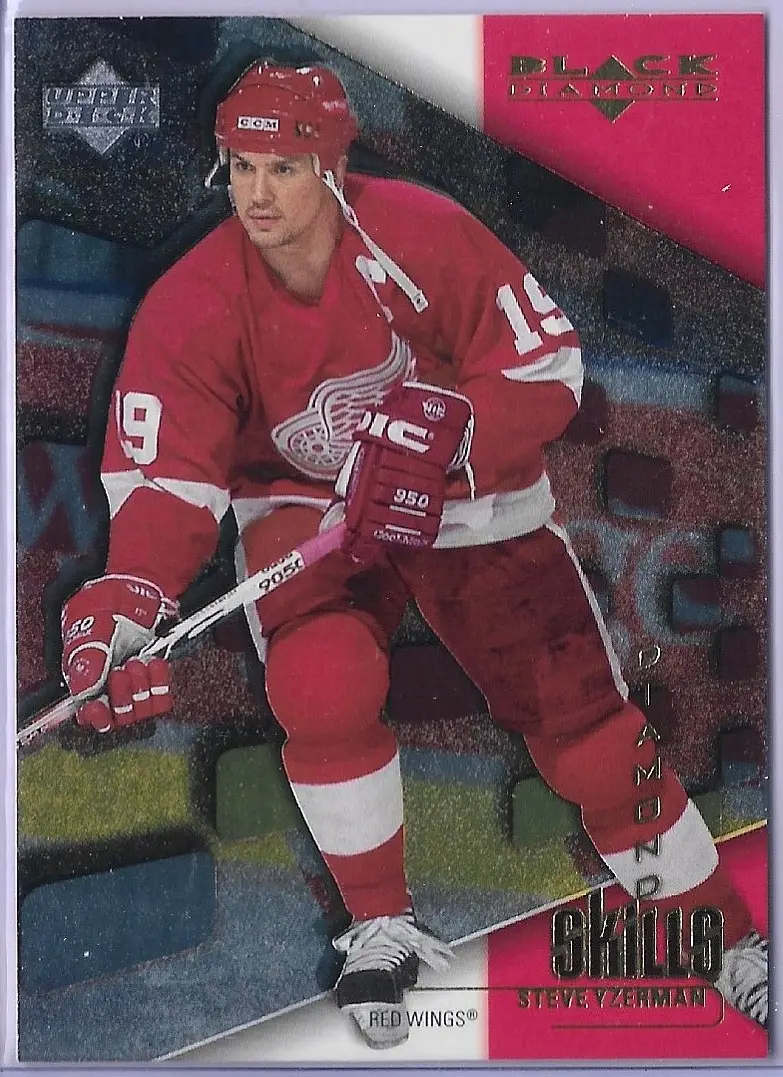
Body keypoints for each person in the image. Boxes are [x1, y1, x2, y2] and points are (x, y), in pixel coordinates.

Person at [59, 61, 768, 1048]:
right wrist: (129, 599)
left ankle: (725, 941)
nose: (258, 194)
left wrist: (457, 434)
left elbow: (547, 363)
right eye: (242, 167)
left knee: (591, 741)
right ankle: (380, 926)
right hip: (308, 507)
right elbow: (166, 478)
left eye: (283, 167)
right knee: (318, 680)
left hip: (469, 500)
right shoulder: (193, 302)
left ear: (330, 165)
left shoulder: (424, 233)